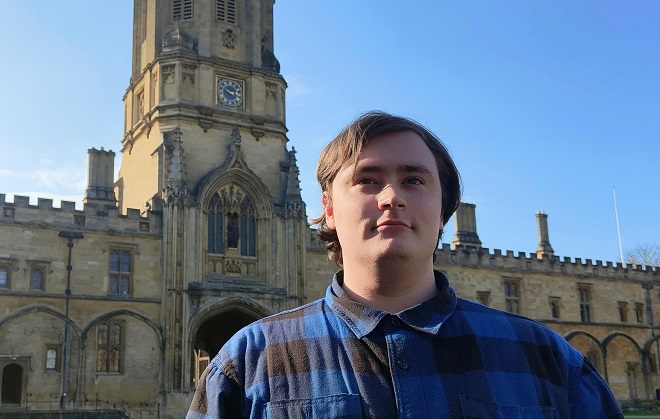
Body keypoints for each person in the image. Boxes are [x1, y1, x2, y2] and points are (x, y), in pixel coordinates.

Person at [187, 112, 623, 418]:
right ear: (329, 209)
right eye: (367, 180)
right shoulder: (246, 363)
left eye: (414, 179)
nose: (391, 196)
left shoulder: (546, 358)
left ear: (445, 210)